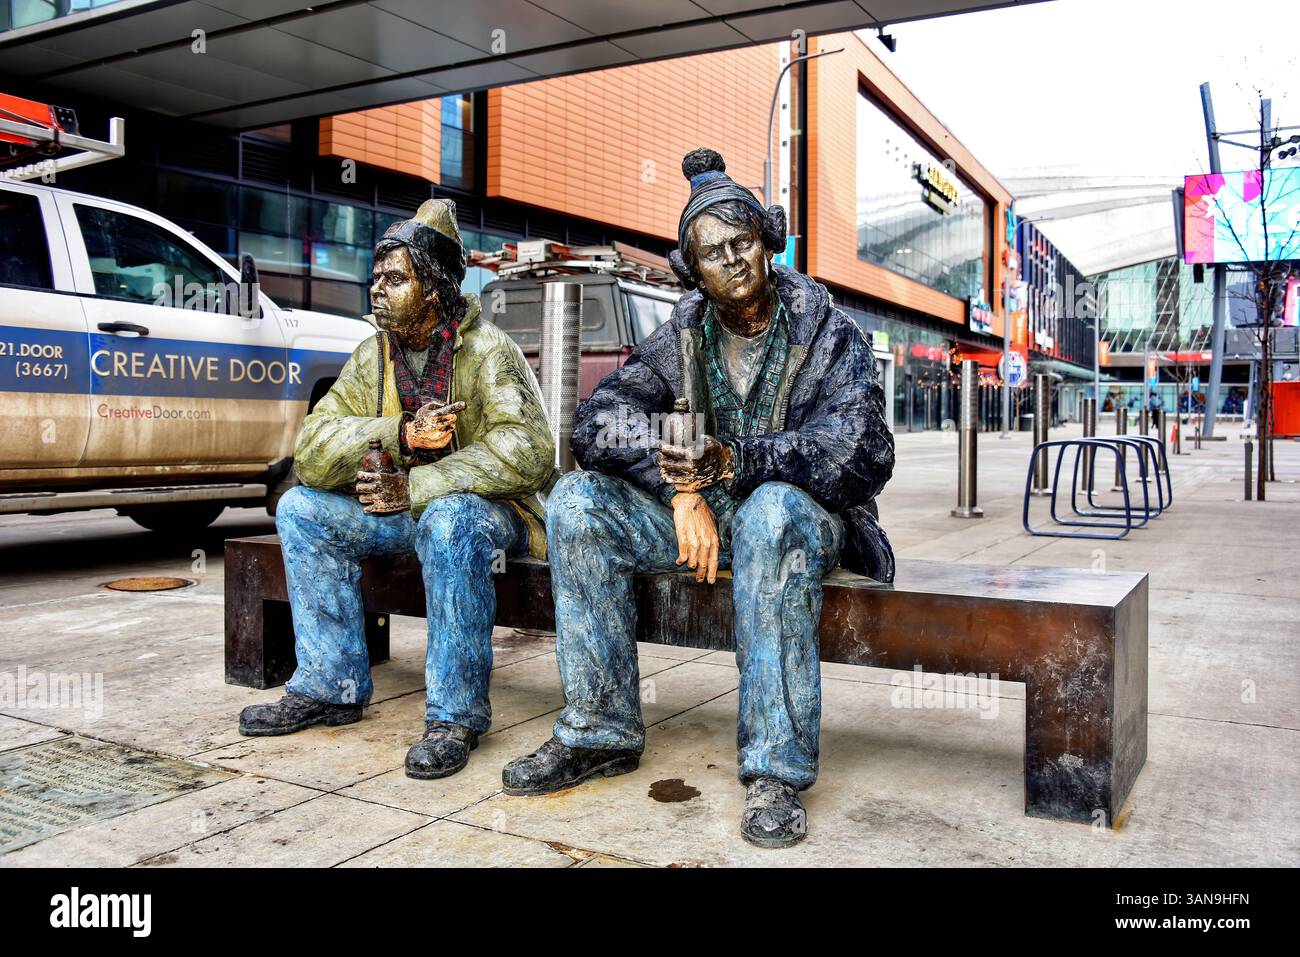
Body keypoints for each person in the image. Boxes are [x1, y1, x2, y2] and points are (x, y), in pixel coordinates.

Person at [501, 149, 896, 848]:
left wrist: (737, 460)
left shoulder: (828, 331)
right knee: (577, 501)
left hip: (804, 524)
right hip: (706, 517)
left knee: (772, 511)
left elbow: (862, 451)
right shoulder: (682, 332)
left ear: (768, 242)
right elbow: (598, 422)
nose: (733, 260)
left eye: (742, 241)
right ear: (693, 269)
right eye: (713, 252)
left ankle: (774, 768)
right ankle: (599, 729)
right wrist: (680, 485)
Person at [237, 199, 556, 781]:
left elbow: (530, 451)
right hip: (401, 513)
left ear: (432, 289)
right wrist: (402, 433)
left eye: (394, 279)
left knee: (450, 521)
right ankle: (329, 686)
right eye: (376, 278)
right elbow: (312, 451)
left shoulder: (489, 350)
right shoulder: (372, 355)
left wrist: (418, 484)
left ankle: (454, 715)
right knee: (302, 508)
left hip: (488, 515)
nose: (377, 290)